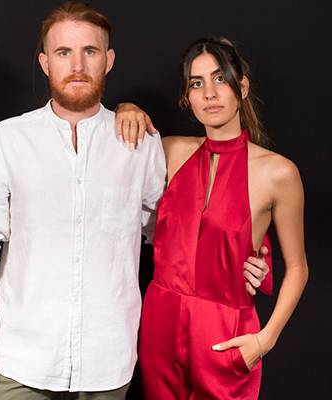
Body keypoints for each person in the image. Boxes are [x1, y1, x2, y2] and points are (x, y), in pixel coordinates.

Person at [0, 2, 270, 398]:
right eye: (63, 52)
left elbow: (171, 233)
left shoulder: (142, 143)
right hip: (23, 357)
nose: (77, 65)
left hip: (109, 360)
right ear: (45, 63)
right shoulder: (6, 140)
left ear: (109, 60)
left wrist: (242, 258)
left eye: (90, 51)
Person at [116, 37, 308, 399]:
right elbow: (109, 147)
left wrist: (265, 340)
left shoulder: (278, 173)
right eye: (197, 83)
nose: (209, 93)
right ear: (187, 98)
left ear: (242, 87)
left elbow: (298, 268)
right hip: (160, 322)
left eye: (220, 79)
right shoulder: (169, 150)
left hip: (224, 330)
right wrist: (127, 107)